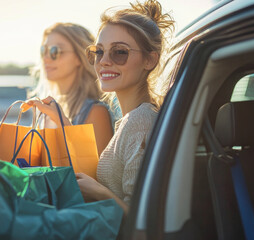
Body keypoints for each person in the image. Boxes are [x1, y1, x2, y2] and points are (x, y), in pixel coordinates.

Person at [26, 0, 174, 216]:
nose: (103, 61)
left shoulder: (140, 120)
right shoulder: (127, 120)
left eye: (119, 52)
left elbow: (143, 222)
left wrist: (99, 192)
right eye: (99, 52)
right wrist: (65, 124)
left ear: (149, 60)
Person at [28, 22, 114, 156]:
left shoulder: (96, 112)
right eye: (43, 50)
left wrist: (62, 123)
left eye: (54, 51)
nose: (46, 58)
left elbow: (96, 175)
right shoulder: (46, 111)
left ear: (81, 57)